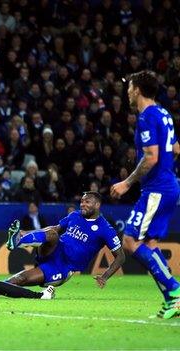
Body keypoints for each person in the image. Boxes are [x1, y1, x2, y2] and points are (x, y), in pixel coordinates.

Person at [110, 70, 180, 319]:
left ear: (137, 90)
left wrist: (127, 183)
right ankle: (173, 301)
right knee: (149, 244)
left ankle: (175, 290)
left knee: (129, 241)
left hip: (157, 190)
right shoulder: (164, 113)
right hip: (168, 185)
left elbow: (151, 157)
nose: (128, 91)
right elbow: (176, 148)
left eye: (130, 88)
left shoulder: (147, 116)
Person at [5, 192, 125, 290]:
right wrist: (27, 232)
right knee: (53, 234)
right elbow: (54, 229)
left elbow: (120, 256)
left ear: (97, 205)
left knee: (20, 279)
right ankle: (18, 240)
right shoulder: (74, 215)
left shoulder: (106, 229)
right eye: (82, 201)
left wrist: (105, 276)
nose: (82, 204)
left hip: (63, 267)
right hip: (54, 250)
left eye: (87, 202)